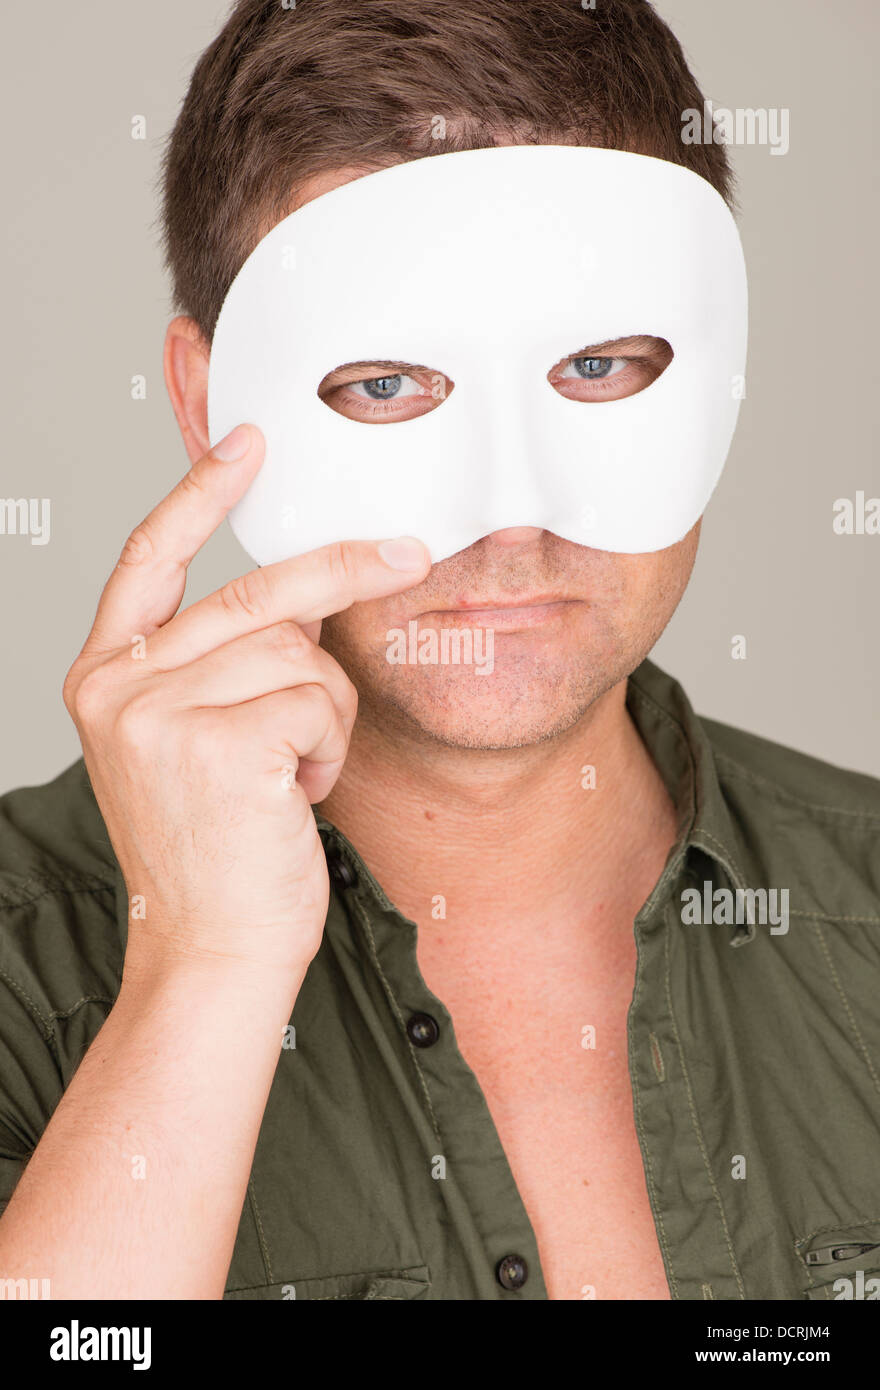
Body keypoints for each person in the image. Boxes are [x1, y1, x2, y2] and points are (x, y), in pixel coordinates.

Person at [1, 0, 878, 1303]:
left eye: (597, 364)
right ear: (205, 401)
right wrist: (201, 973)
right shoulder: (29, 971)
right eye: (386, 386)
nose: (509, 514)